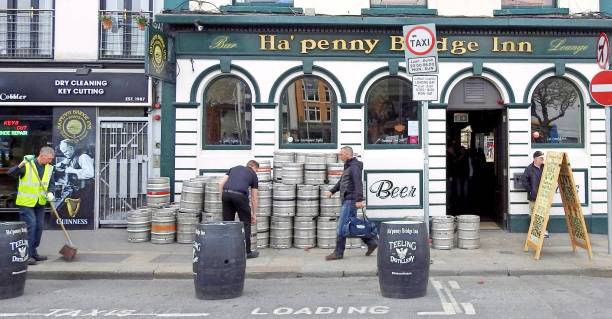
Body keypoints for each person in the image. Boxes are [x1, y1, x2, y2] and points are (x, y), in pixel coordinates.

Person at [325, 146, 378, 261]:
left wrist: (359, 200)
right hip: (347, 200)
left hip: (351, 200)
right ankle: (370, 242)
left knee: (341, 227)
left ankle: (338, 253)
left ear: (348, 154)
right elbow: (342, 181)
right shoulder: (348, 166)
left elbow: (358, 183)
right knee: (351, 226)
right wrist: (332, 191)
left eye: (341, 154)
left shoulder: (354, 167)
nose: (340, 156)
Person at [8, 146, 56, 265]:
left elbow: (51, 183)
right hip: (26, 202)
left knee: (39, 226)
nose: (50, 161)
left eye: (51, 159)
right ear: (42, 155)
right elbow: (11, 174)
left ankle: (33, 252)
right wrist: (21, 164)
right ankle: (27, 255)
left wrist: (50, 192)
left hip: (39, 202)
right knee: (32, 225)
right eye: (49, 159)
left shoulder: (49, 168)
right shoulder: (28, 165)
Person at [219, 160, 260, 259]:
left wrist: (223, 199)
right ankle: (247, 252)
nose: (256, 172)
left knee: (227, 224)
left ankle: (226, 251)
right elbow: (254, 197)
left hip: (226, 194)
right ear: (254, 167)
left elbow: (220, 183)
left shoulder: (233, 168)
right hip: (240, 196)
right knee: (246, 223)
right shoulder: (253, 174)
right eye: (257, 170)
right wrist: (254, 214)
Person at [54, 139, 94, 216]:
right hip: (75, 191)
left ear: (71, 148)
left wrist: (73, 170)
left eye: (65, 151)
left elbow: (90, 173)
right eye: (63, 152)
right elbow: (63, 163)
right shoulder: (71, 156)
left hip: (84, 191)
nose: (64, 154)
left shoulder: (83, 157)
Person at [520, 150, 549, 238]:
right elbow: (524, 181)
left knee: (543, 213)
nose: (542, 160)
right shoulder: (529, 169)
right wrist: (531, 190)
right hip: (533, 197)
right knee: (534, 214)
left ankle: (543, 230)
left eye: (543, 158)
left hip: (544, 196)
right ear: (535, 159)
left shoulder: (545, 167)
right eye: (541, 158)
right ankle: (535, 231)